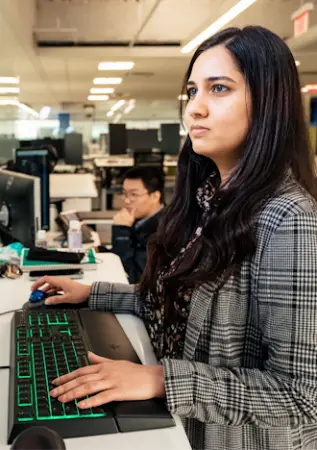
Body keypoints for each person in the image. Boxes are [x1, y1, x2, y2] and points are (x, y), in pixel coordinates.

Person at [32, 26, 317, 450]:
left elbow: (300, 394)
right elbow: (173, 305)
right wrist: (92, 294)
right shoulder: (209, 199)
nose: (195, 109)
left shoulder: (288, 218)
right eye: (192, 91)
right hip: (182, 424)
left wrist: (160, 379)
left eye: (218, 89)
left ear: (268, 102)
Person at [111, 165, 164, 283]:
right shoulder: (140, 219)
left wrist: (122, 231)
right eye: (124, 193)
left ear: (155, 196)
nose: (126, 200)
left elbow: (132, 275)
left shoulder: (163, 230)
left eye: (134, 195)